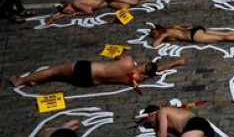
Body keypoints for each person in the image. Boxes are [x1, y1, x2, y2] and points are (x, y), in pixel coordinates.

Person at [9, 55, 186, 91]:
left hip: (86, 68)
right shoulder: (137, 79)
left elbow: (116, 57)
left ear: (144, 64)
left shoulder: (127, 61)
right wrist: (174, 63)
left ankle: (22, 80)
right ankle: (36, 81)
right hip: (89, 82)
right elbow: (155, 71)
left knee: (54, 70)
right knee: (58, 76)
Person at [46, 0, 151, 24]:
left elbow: (89, 11)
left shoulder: (76, 3)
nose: (69, 12)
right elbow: (58, 15)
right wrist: (54, 18)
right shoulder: (75, 5)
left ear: (67, 5)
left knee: (133, 3)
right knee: (126, 6)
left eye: (67, 10)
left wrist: (76, 14)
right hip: (107, 2)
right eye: (66, 12)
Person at [149, 24, 234, 47]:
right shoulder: (171, 27)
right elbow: (185, 25)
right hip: (196, 29)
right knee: (224, 33)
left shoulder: (165, 32)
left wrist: (160, 36)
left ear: (159, 30)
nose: (155, 36)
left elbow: (155, 45)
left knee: (223, 37)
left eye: (155, 33)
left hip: (195, 36)